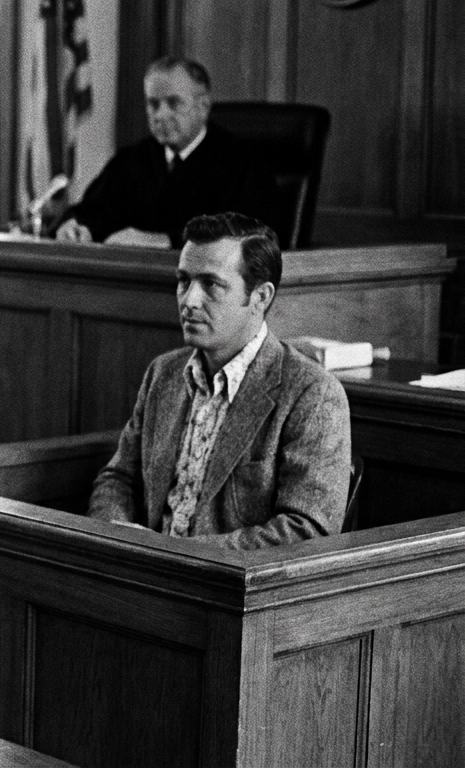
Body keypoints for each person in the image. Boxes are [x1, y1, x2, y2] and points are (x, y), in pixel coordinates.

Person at [87, 212, 351, 549]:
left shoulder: (312, 393)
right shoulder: (163, 373)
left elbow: (307, 530)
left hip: (232, 592)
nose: (189, 300)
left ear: (261, 297)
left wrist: (186, 556)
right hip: (144, 578)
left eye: (210, 284)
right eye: (184, 280)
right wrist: (118, 535)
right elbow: (118, 478)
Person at [56, 57, 280, 249]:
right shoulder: (132, 160)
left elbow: (252, 236)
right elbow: (94, 211)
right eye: (153, 104)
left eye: (174, 103)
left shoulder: (240, 161)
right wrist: (75, 226)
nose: (161, 115)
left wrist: (165, 241)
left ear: (203, 106)